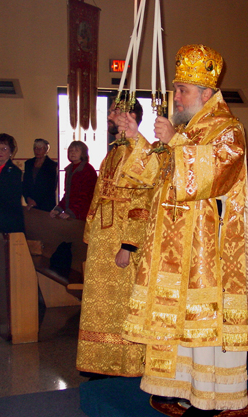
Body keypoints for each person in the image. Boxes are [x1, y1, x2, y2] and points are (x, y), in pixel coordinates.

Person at [118, 44, 248, 415]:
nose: (176, 96)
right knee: (172, 320)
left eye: (182, 90)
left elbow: (215, 175)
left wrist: (175, 142)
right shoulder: (185, 129)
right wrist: (137, 138)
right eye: (176, 89)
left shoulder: (228, 129)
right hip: (171, 246)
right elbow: (154, 175)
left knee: (199, 323)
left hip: (204, 251)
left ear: (206, 94)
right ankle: (173, 387)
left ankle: (207, 397)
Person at [76, 99, 151, 378]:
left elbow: (142, 202)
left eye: (115, 111)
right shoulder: (114, 151)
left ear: (130, 116)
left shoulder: (140, 152)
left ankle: (123, 362)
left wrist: (128, 246)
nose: (110, 115)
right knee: (98, 304)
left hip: (121, 239)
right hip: (102, 240)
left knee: (121, 304)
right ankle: (99, 361)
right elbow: (99, 195)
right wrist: (91, 232)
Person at [50, 141, 97, 221]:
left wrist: (72, 212)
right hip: (72, 212)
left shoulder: (87, 170)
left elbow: (86, 196)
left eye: (76, 150)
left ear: (83, 153)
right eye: (71, 150)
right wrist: (58, 209)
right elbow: (68, 194)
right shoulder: (70, 169)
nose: (73, 153)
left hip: (83, 214)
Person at [23, 139, 57, 212]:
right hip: (30, 203)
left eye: (40, 148)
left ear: (46, 150)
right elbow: (25, 183)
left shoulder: (52, 165)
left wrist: (36, 201)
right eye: (35, 148)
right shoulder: (28, 163)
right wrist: (28, 198)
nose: (37, 151)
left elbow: (51, 187)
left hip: (46, 205)